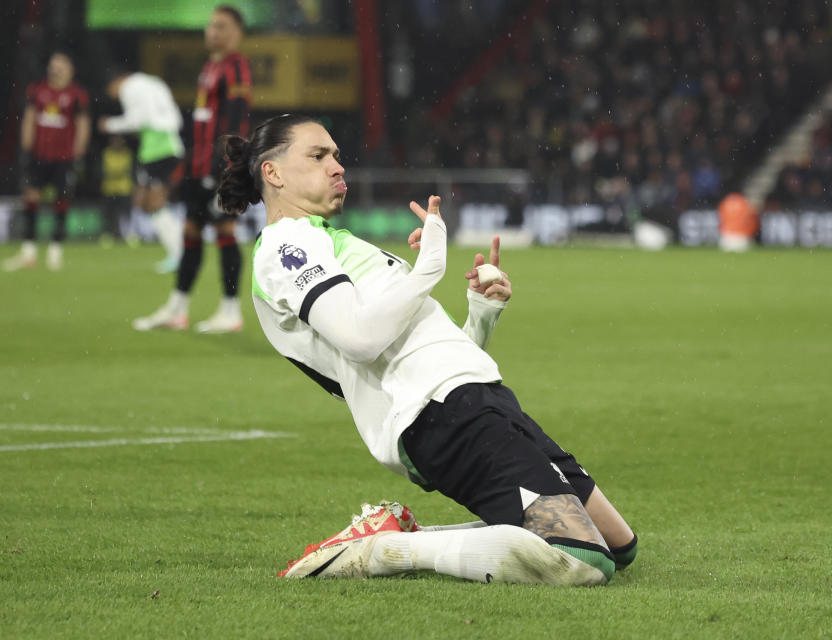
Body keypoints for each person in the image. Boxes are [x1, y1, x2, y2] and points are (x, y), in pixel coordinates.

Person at [217, 114, 638, 585]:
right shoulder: (285, 246)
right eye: (318, 156)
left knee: (619, 545)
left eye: (336, 155)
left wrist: (480, 312)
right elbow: (359, 339)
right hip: (434, 414)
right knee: (582, 560)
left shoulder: (340, 243)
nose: (337, 166)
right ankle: (383, 550)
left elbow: (430, 352)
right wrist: (428, 268)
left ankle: (405, 531)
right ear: (272, 173)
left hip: (478, 395)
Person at [133, 4, 251, 332]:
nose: (213, 32)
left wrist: (223, 167)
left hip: (221, 169)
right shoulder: (209, 68)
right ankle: (178, 309)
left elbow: (234, 120)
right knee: (192, 233)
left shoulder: (236, 67)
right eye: (211, 26)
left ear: (236, 33)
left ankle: (230, 312)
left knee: (225, 232)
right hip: (198, 168)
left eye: (222, 27)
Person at [4, 51, 90, 272]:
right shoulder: (38, 90)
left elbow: (82, 124)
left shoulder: (76, 95)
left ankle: (55, 252)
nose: (56, 68)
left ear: (69, 68)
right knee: (31, 197)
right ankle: (28, 252)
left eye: (60, 64)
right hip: (39, 155)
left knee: (61, 199)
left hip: (64, 158)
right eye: (53, 64)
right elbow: (30, 117)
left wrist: (78, 151)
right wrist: (26, 146)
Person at [98, 70, 185, 272]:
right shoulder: (154, 83)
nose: (115, 96)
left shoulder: (130, 88)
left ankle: (179, 253)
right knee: (148, 203)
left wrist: (110, 124)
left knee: (153, 203)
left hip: (158, 148)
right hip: (167, 146)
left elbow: (137, 120)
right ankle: (178, 251)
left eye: (112, 91)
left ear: (117, 81)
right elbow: (175, 117)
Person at [99, 134, 134, 245]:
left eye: (119, 140)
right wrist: (118, 172)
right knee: (109, 214)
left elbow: (129, 170)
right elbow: (104, 171)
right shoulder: (106, 153)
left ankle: (128, 235)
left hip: (125, 189)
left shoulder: (127, 153)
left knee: (126, 214)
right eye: (115, 140)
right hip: (109, 189)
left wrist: (114, 173)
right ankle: (109, 235)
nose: (117, 143)